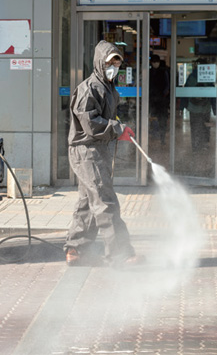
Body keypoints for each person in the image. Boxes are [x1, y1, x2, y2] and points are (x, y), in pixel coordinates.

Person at [66, 40, 141, 267]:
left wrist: (118, 128)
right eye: (110, 63)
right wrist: (117, 129)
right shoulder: (89, 88)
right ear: (100, 62)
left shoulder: (108, 88)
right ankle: (121, 253)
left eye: (117, 64)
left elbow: (105, 119)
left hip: (97, 151)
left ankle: (75, 248)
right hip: (87, 151)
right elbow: (90, 123)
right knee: (105, 201)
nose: (114, 68)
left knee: (89, 201)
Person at [148, 54, 170, 144]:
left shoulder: (164, 72)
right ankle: (155, 135)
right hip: (153, 100)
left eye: (156, 62)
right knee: (153, 119)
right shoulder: (149, 72)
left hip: (161, 101)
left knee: (162, 120)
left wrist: (163, 95)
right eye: (153, 62)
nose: (155, 64)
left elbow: (167, 86)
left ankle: (162, 138)